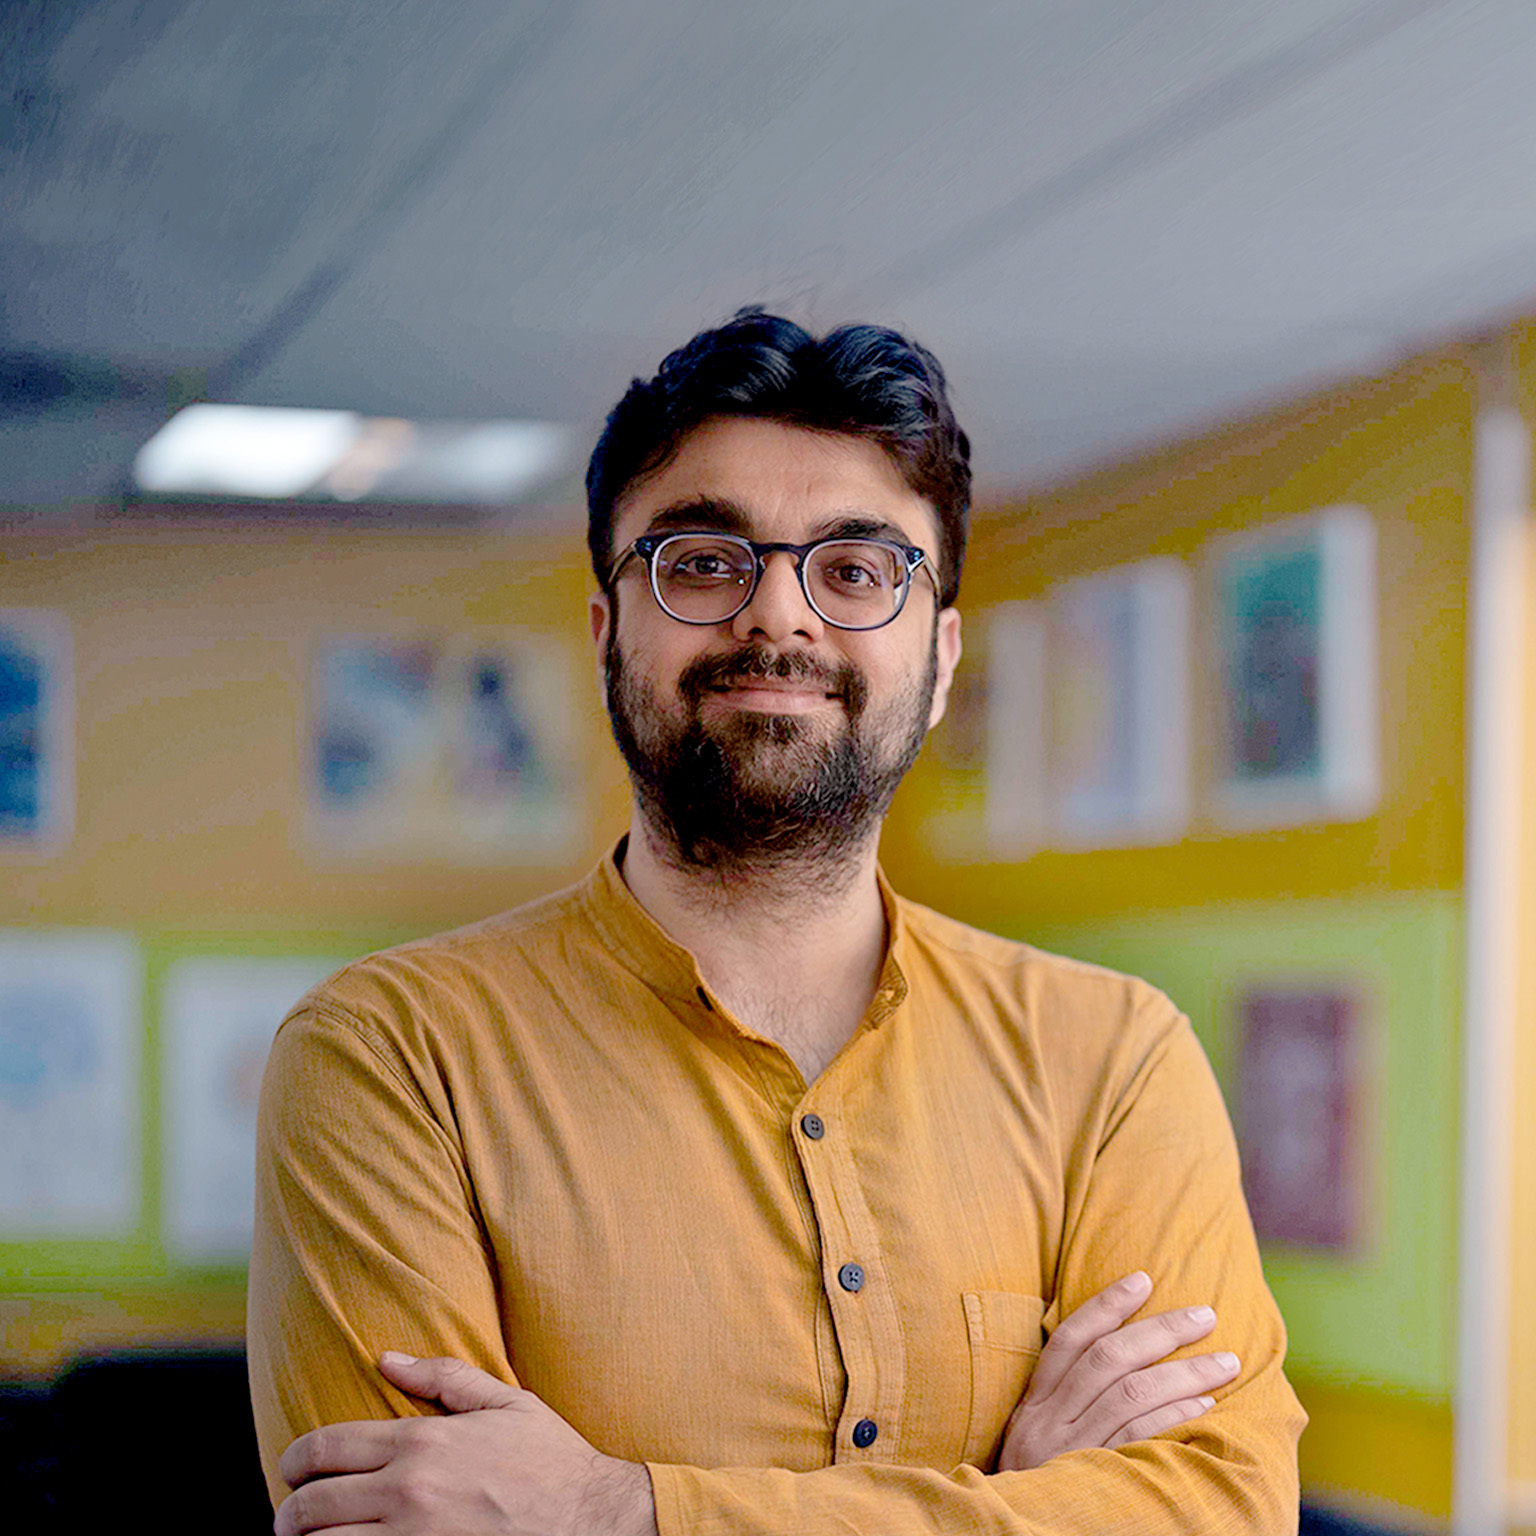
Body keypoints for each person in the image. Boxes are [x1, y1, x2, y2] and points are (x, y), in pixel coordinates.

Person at [248, 310, 1305, 1535]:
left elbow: (1219, 1512)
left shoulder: (1115, 1058)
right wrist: (1024, 1504)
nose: (780, 618)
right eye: (703, 561)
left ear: (943, 654)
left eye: (856, 570)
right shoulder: (386, 1058)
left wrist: (621, 1511)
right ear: (609, 632)